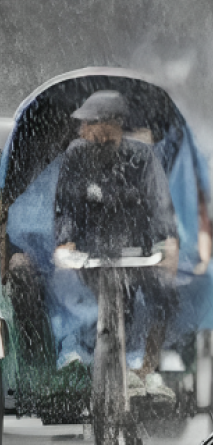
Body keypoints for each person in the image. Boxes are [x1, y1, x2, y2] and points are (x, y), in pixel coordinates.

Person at [53, 90, 179, 395]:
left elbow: (159, 202)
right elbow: (67, 206)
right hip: (92, 252)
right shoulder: (76, 155)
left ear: (113, 124)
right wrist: (67, 240)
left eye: (90, 124)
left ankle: (148, 366)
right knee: (110, 303)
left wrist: (167, 241)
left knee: (164, 294)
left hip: (137, 250)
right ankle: (96, 362)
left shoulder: (142, 156)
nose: (83, 131)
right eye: (83, 125)